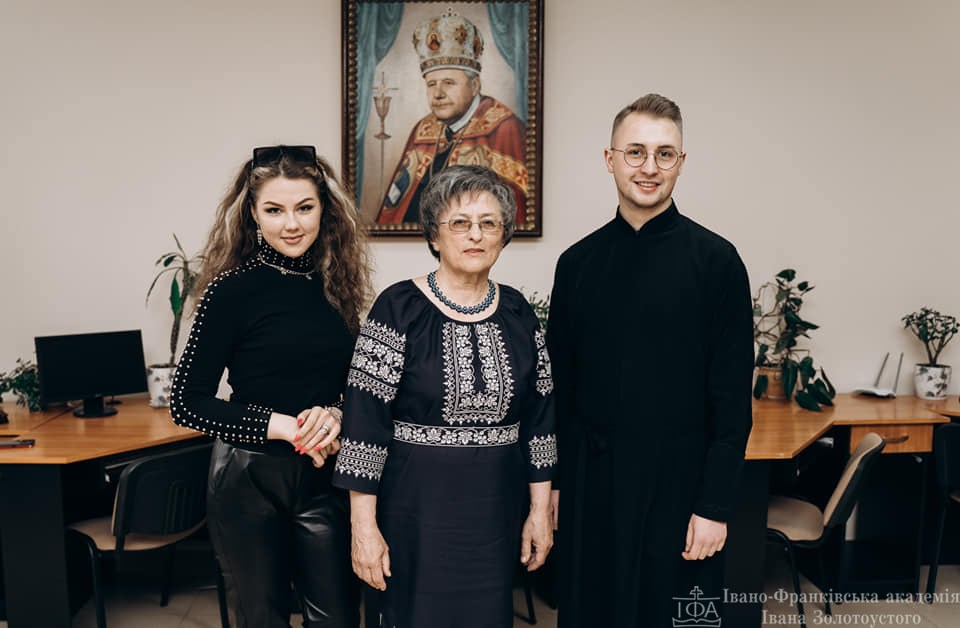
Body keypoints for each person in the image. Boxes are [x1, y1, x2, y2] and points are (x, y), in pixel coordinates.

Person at [547, 94, 754, 627]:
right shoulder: (577, 265)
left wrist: (713, 508)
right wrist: (556, 488)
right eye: (635, 151)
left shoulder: (718, 262)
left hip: (681, 491)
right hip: (592, 487)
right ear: (610, 159)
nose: (649, 167)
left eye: (665, 154)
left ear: (681, 163)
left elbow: (733, 403)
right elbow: (559, 392)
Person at [334, 165, 555, 627]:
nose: (475, 234)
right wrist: (363, 528)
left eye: (489, 223)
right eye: (459, 223)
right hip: (412, 516)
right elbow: (364, 426)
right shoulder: (398, 308)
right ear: (434, 236)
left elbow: (541, 422)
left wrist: (539, 512)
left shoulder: (519, 313)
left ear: (503, 235)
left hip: (495, 518)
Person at [169, 145, 372, 627]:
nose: (292, 224)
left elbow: (354, 385)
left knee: (339, 617)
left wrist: (337, 414)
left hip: (324, 475)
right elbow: (186, 402)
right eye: (275, 210)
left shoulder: (337, 287)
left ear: (325, 210)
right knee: (262, 618)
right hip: (248, 477)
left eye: (305, 207)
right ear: (253, 215)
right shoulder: (229, 291)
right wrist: (285, 427)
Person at [375, 9, 527, 226]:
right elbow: (395, 208)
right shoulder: (422, 129)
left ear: (474, 85)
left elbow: (514, 216)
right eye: (431, 84)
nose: (438, 94)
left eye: (448, 83)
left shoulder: (504, 128)